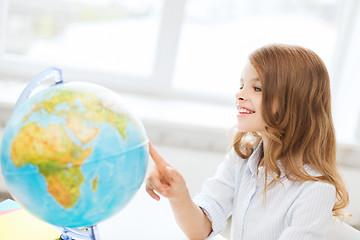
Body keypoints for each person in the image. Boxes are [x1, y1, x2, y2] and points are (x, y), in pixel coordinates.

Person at [145, 44, 349, 240]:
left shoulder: (316, 189)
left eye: (257, 88)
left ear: (294, 103)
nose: (239, 94)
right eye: (241, 85)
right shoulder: (242, 158)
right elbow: (199, 230)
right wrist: (179, 194)